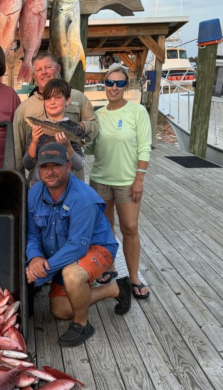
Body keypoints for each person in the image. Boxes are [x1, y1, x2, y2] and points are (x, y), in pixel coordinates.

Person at [26, 143, 131, 347]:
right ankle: (116, 289)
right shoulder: (34, 193)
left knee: (73, 275)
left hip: (96, 248)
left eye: (55, 165)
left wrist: (41, 272)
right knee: (60, 310)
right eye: (44, 166)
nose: (50, 171)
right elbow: (31, 233)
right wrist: (35, 257)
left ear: (68, 165)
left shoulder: (84, 198)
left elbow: (77, 247)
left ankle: (82, 324)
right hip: (60, 254)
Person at [86, 65, 152, 299]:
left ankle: (134, 277)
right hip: (100, 179)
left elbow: (144, 147)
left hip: (127, 181)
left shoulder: (137, 111)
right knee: (105, 229)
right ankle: (110, 267)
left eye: (120, 83)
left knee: (130, 228)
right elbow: (92, 148)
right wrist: (75, 140)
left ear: (126, 86)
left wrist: (139, 179)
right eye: (110, 82)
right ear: (104, 85)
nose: (114, 87)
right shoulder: (97, 114)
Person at [13, 52, 99, 180]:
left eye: (48, 67)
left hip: (72, 180)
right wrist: (19, 180)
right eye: (38, 70)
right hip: (40, 182)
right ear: (33, 76)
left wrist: (77, 128)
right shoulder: (23, 108)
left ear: (58, 69)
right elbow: (18, 148)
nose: (44, 72)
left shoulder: (78, 97)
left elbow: (95, 126)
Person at [22, 78, 86, 186]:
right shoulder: (36, 129)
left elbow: (79, 166)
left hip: (67, 189)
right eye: (48, 98)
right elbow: (28, 165)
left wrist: (68, 147)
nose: (52, 101)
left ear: (67, 100)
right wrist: (34, 142)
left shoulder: (75, 128)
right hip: (40, 188)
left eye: (57, 97)